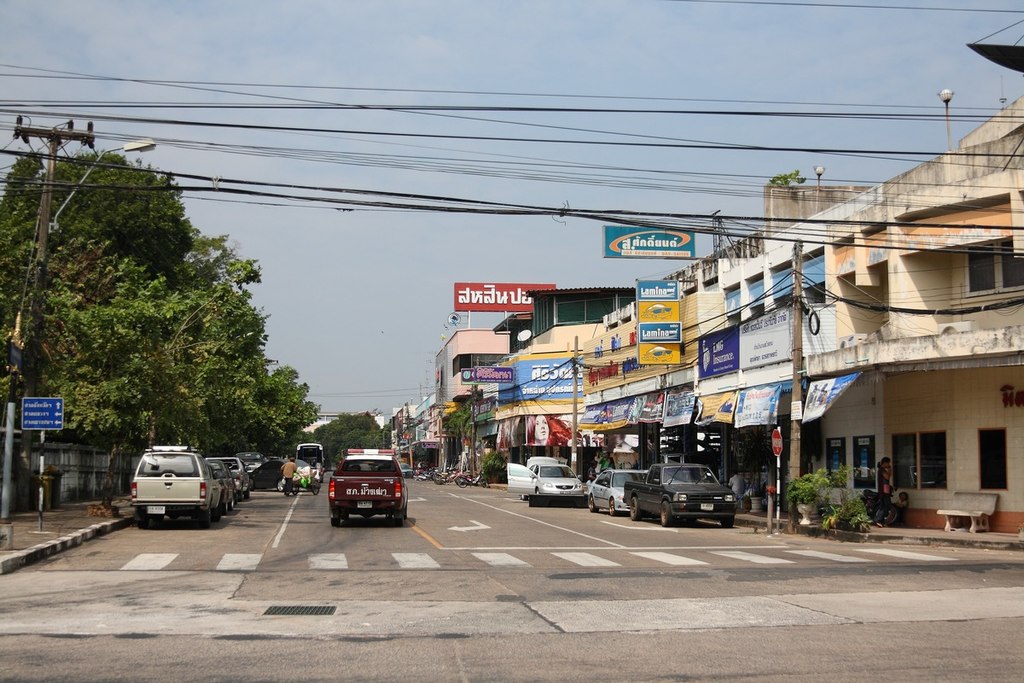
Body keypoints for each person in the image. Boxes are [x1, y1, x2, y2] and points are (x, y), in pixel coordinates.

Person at [874, 457, 894, 527]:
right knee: (887, 506)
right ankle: (877, 519)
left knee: (882, 506)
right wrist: (890, 469)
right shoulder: (882, 470)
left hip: (883, 490)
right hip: (884, 490)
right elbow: (887, 477)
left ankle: (881, 521)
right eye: (888, 463)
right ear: (885, 463)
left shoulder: (881, 470)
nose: (889, 464)